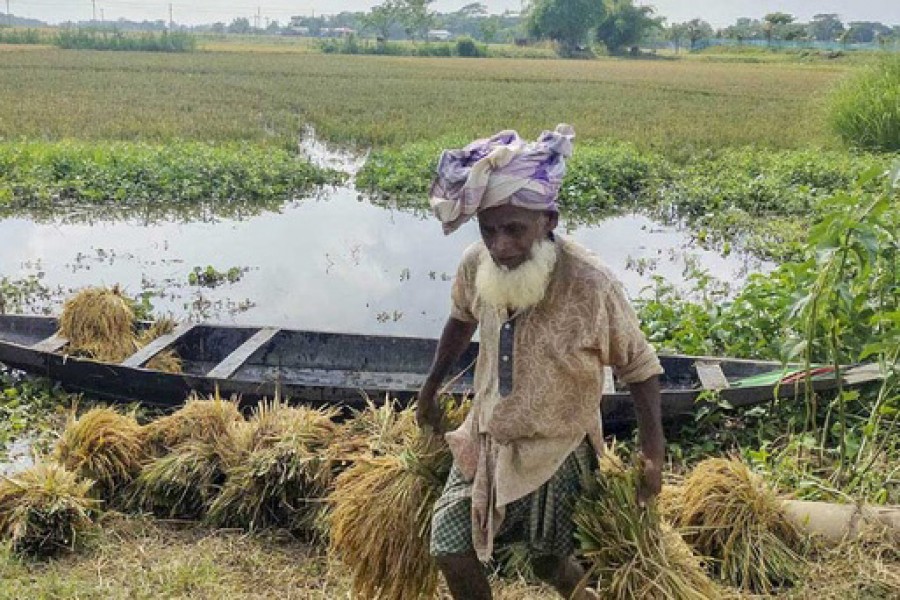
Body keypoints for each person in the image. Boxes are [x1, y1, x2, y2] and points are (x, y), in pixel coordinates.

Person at [416, 125, 665, 600]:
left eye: (515, 229)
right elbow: (460, 319)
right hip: (486, 437)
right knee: (448, 544)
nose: (501, 245)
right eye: (489, 229)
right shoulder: (477, 264)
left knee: (548, 559)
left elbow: (639, 366)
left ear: (548, 220)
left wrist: (652, 452)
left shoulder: (590, 283)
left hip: (557, 447)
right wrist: (429, 390)